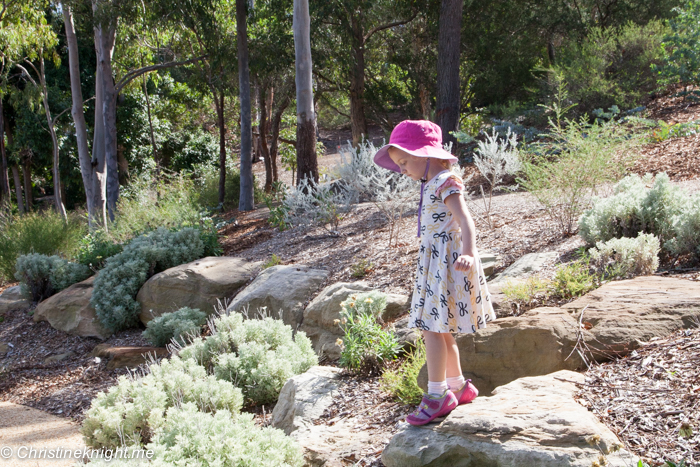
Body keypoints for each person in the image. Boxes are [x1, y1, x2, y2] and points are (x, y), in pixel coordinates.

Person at [373, 120, 496, 426]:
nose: (402, 169)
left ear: (425, 155)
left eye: (404, 162)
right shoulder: (432, 182)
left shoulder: (445, 180)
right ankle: (457, 386)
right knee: (440, 328)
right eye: (399, 163)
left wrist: (468, 252)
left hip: (447, 262)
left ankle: (436, 395)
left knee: (430, 327)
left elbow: (465, 219)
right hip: (435, 262)